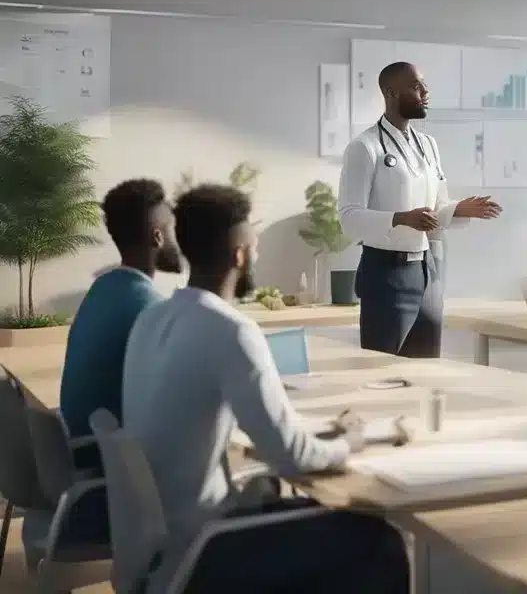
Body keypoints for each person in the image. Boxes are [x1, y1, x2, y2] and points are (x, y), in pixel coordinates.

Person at [122, 185, 410, 593]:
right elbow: (290, 457)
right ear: (240, 254)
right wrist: (350, 441)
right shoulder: (230, 329)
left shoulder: (151, 320)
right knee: (381, 540)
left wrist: (317, 434)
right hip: (205, 549)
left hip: (159, 550)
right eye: (254, 247)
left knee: (284, 499)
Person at [43, 180, 182, 547]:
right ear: (157, 236)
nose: (177, 238)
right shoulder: (147, 306)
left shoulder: (104, 289)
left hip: (83, 455)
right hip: (110, 473)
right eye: (172, 228)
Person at [338, 61, 501, 357]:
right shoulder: (364, 147)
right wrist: (402, 219)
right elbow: (349, 217)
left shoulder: (428, 145)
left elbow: (436, 208)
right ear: (391, 93)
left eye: (425, 85)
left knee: (427, 368)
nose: (426, 92)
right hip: (385, 274)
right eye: (416, 87)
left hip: (426, 272)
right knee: (381, 369)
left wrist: (460, 209)